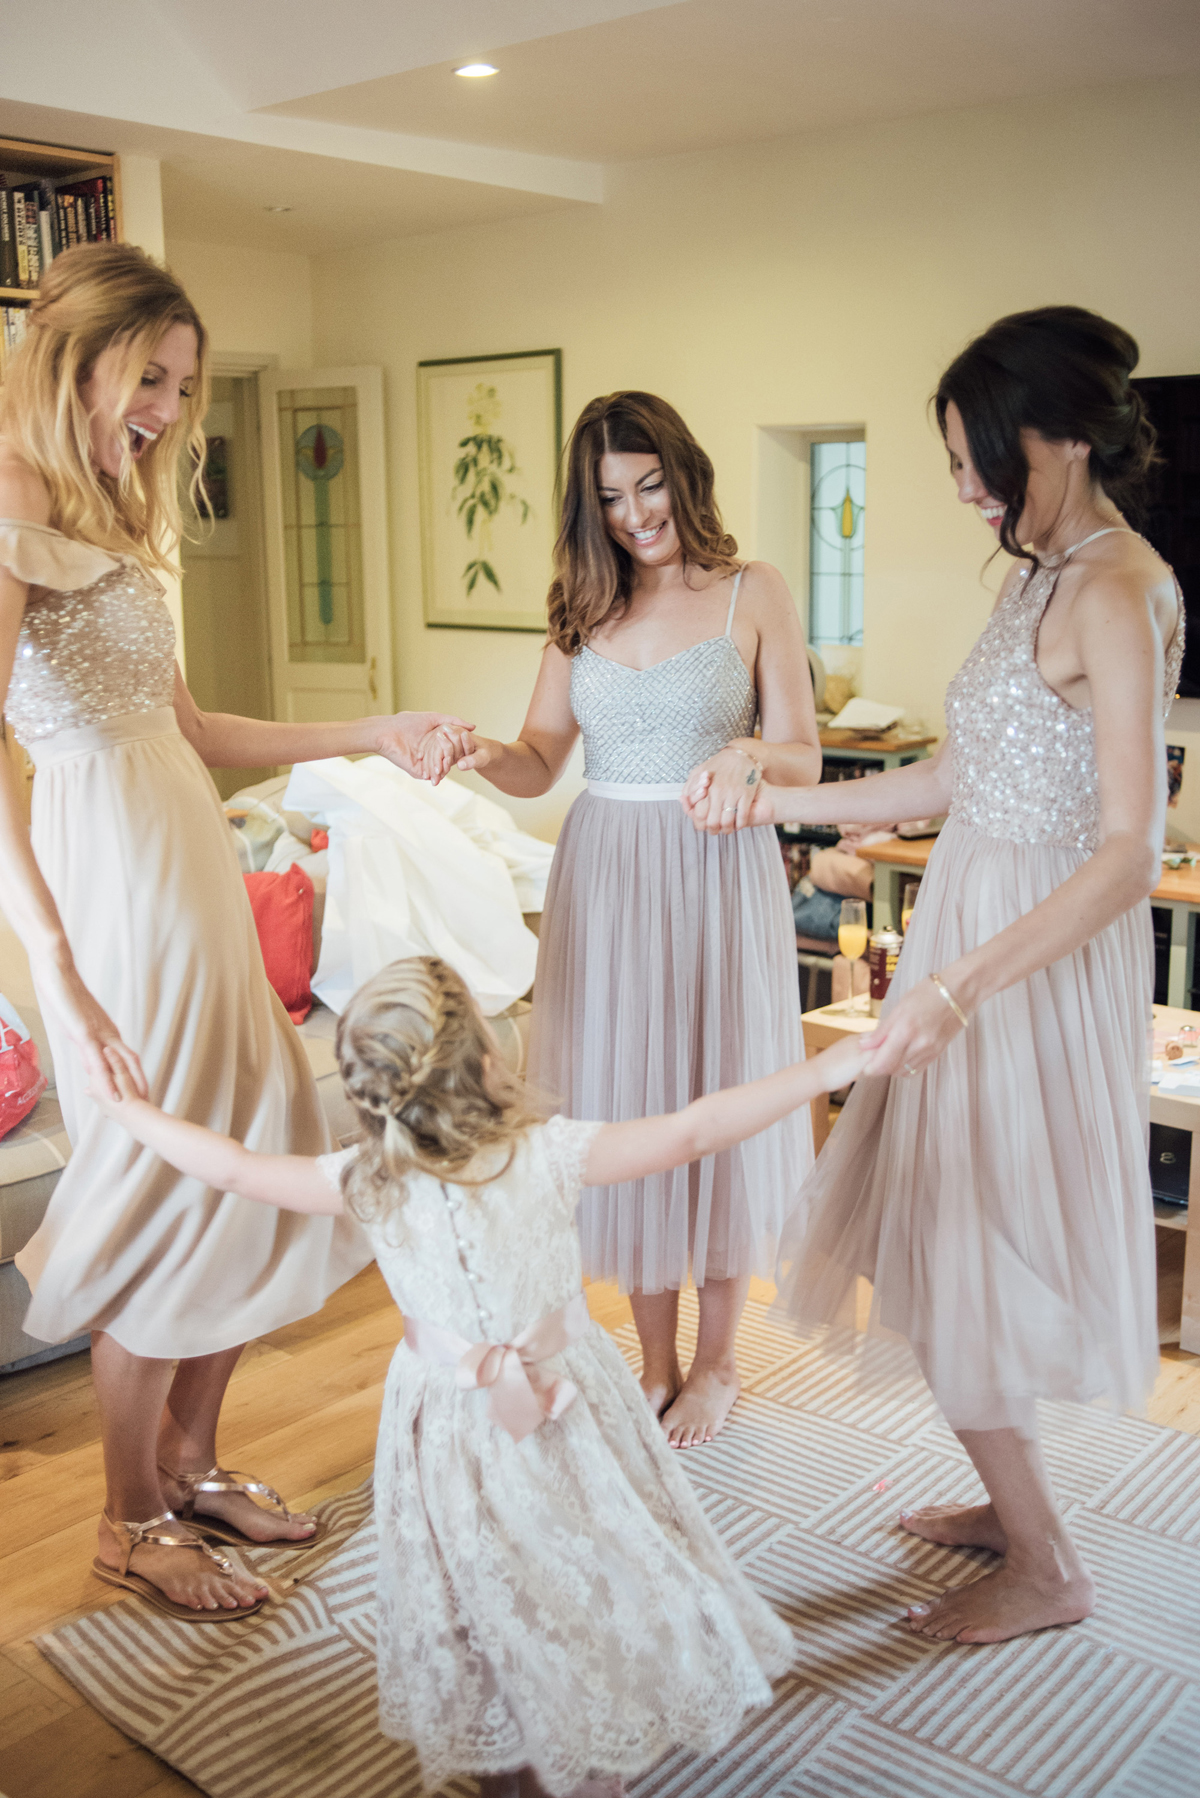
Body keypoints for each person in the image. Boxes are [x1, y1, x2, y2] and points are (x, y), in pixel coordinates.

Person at [687, 305, 1182, 1644]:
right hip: (972, 915)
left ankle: (1049, 1568)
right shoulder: (1031, 573)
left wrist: (962, 985)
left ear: (1062, 437)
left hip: (1032, 957)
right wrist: (783, 803)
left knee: (971, 1240)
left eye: (979, 460)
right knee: (940, 1231)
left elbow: (1132, 851)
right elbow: (954, 778)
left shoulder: (1123, 588)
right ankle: (1003, 1501)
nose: (964, 488)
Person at [89, 952, 869, 1797]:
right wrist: (828, 1065)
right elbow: (696, 1129)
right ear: (489, 1062)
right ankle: (584, 1755)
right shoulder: (550, 1152)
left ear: (368, 1091)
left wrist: (131, 1111)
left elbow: (232, 1167)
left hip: (445, 1420)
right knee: (585, 1563)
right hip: (563, 1397)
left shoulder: (363, 1180)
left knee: (478, 1583)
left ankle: (514, 1756)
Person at [0, 241, 470, 1619]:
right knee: (155, 1181)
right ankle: (125, 1518)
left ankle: (196, 1464)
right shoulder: (9, 494)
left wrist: (375, 732)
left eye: (184, 384)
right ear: (77, 356)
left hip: (185, 850)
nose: (165, 407)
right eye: (150, 376)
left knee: (259, 1143)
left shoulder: (122, 501)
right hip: (106, 889)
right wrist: (65, 979)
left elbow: (196, 730)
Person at [437, 391, 823, 1447]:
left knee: (719, 1092)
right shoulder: (580, 601)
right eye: (611, 496)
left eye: (649, 484)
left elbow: (803, 752)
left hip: (714, 867)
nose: (636, 512)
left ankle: (719, 1362)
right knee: (632, 1105)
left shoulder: (756, 592)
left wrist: (745, 756)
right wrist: (474, 750)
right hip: (605, 871)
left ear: (683, 475)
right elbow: (537, 759)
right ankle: (653, 1360)